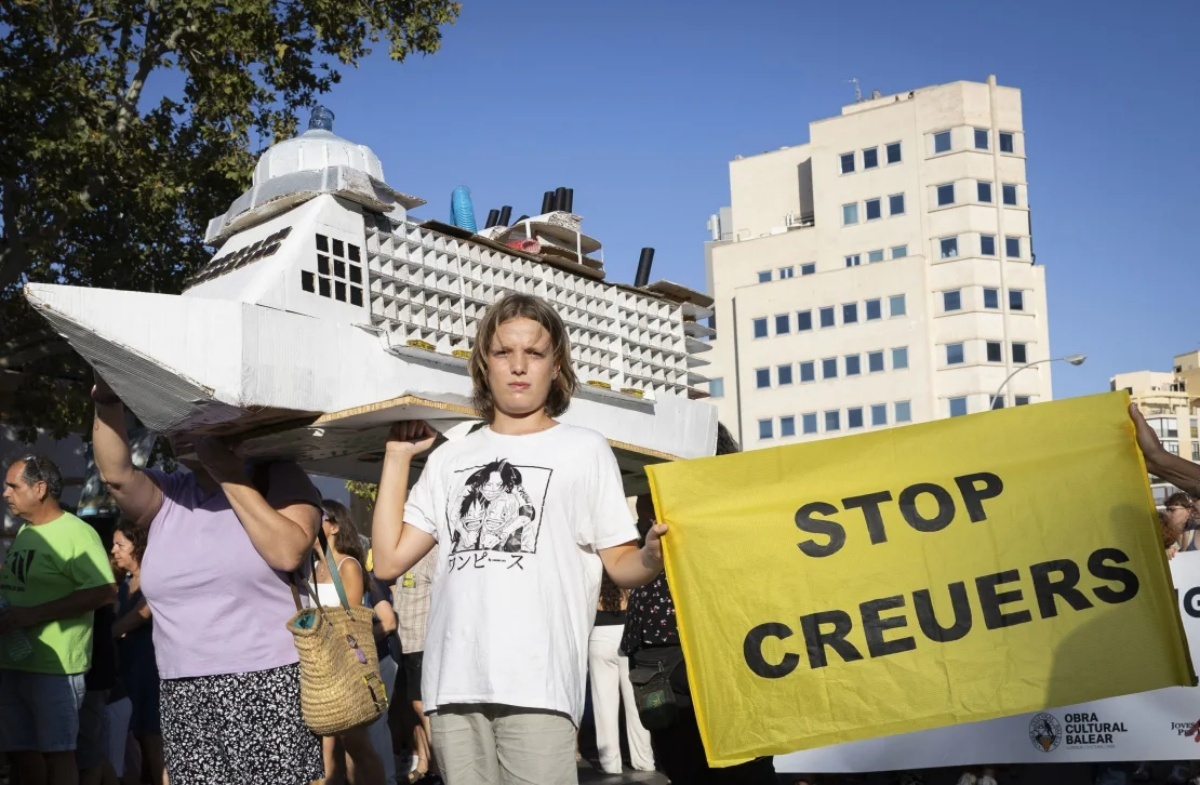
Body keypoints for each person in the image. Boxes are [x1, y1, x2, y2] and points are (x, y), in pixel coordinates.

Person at [371, 293, 667, 785]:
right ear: (483, 365)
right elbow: (386, 561)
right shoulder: (451, 457)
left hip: (538, 685)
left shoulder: (584, 449)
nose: (518, 366)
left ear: (557, 366)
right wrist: (398, 457)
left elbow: (621, 566)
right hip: (452, 685)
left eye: (534, 353)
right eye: (503, 352)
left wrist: (652, 555)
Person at [91, 375, 324, 785]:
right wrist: (109, 392)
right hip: (184, 690)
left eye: (195, 421)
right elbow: (116, 474)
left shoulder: (277, 476)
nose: (181, 432)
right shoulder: (166, 496)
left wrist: (228, 472)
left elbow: (288, 550)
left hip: (266, 686)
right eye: (174, 424)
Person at [621, 423, 777, 785]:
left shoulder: (721, 503)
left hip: (684, 643)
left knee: (715, 760)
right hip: (686, 645)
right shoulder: (732, 503)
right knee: (726, 759)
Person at [0, 455, 117, 785]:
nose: (5, 493)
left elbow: (105, 591)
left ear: (39, 489)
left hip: (56, 668)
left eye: (13, 486)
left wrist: (30, 615)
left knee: (58, 752)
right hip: (15, 659)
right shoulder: (26, 531)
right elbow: (22, 581)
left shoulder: (77, 533)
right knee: (20, 751)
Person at [311, 500, 386, 785]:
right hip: (321, 667)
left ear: (334, 526)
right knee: (329, 748)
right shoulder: (314, 566)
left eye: (318, 516)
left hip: (345, 667)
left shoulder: (348, 565)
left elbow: (352, 620)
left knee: (357, 746)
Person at [109, 520, 165, 785]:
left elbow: (141, 615)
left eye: (121, 544)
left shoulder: (155, 578)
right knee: (132, 739)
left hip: (150, 668)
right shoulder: (124, 584)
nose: (114, 550)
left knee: (152, 736)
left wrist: (105, 635)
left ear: (139, 547)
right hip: (128, 668)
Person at [587, 572, 653, 775]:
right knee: (635, 704)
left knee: (603, 704)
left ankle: (610, 763)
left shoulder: (594, 585)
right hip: (627, 638)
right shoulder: (631, 580)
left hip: (598, 639)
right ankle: (644, 760)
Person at [394, 545, 438, 783]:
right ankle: (424, 762)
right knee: (413, 708)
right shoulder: (403, 555)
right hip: (404, 642)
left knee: (424, 707)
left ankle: (439, 769)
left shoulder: (431, 553)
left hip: (424, 641)